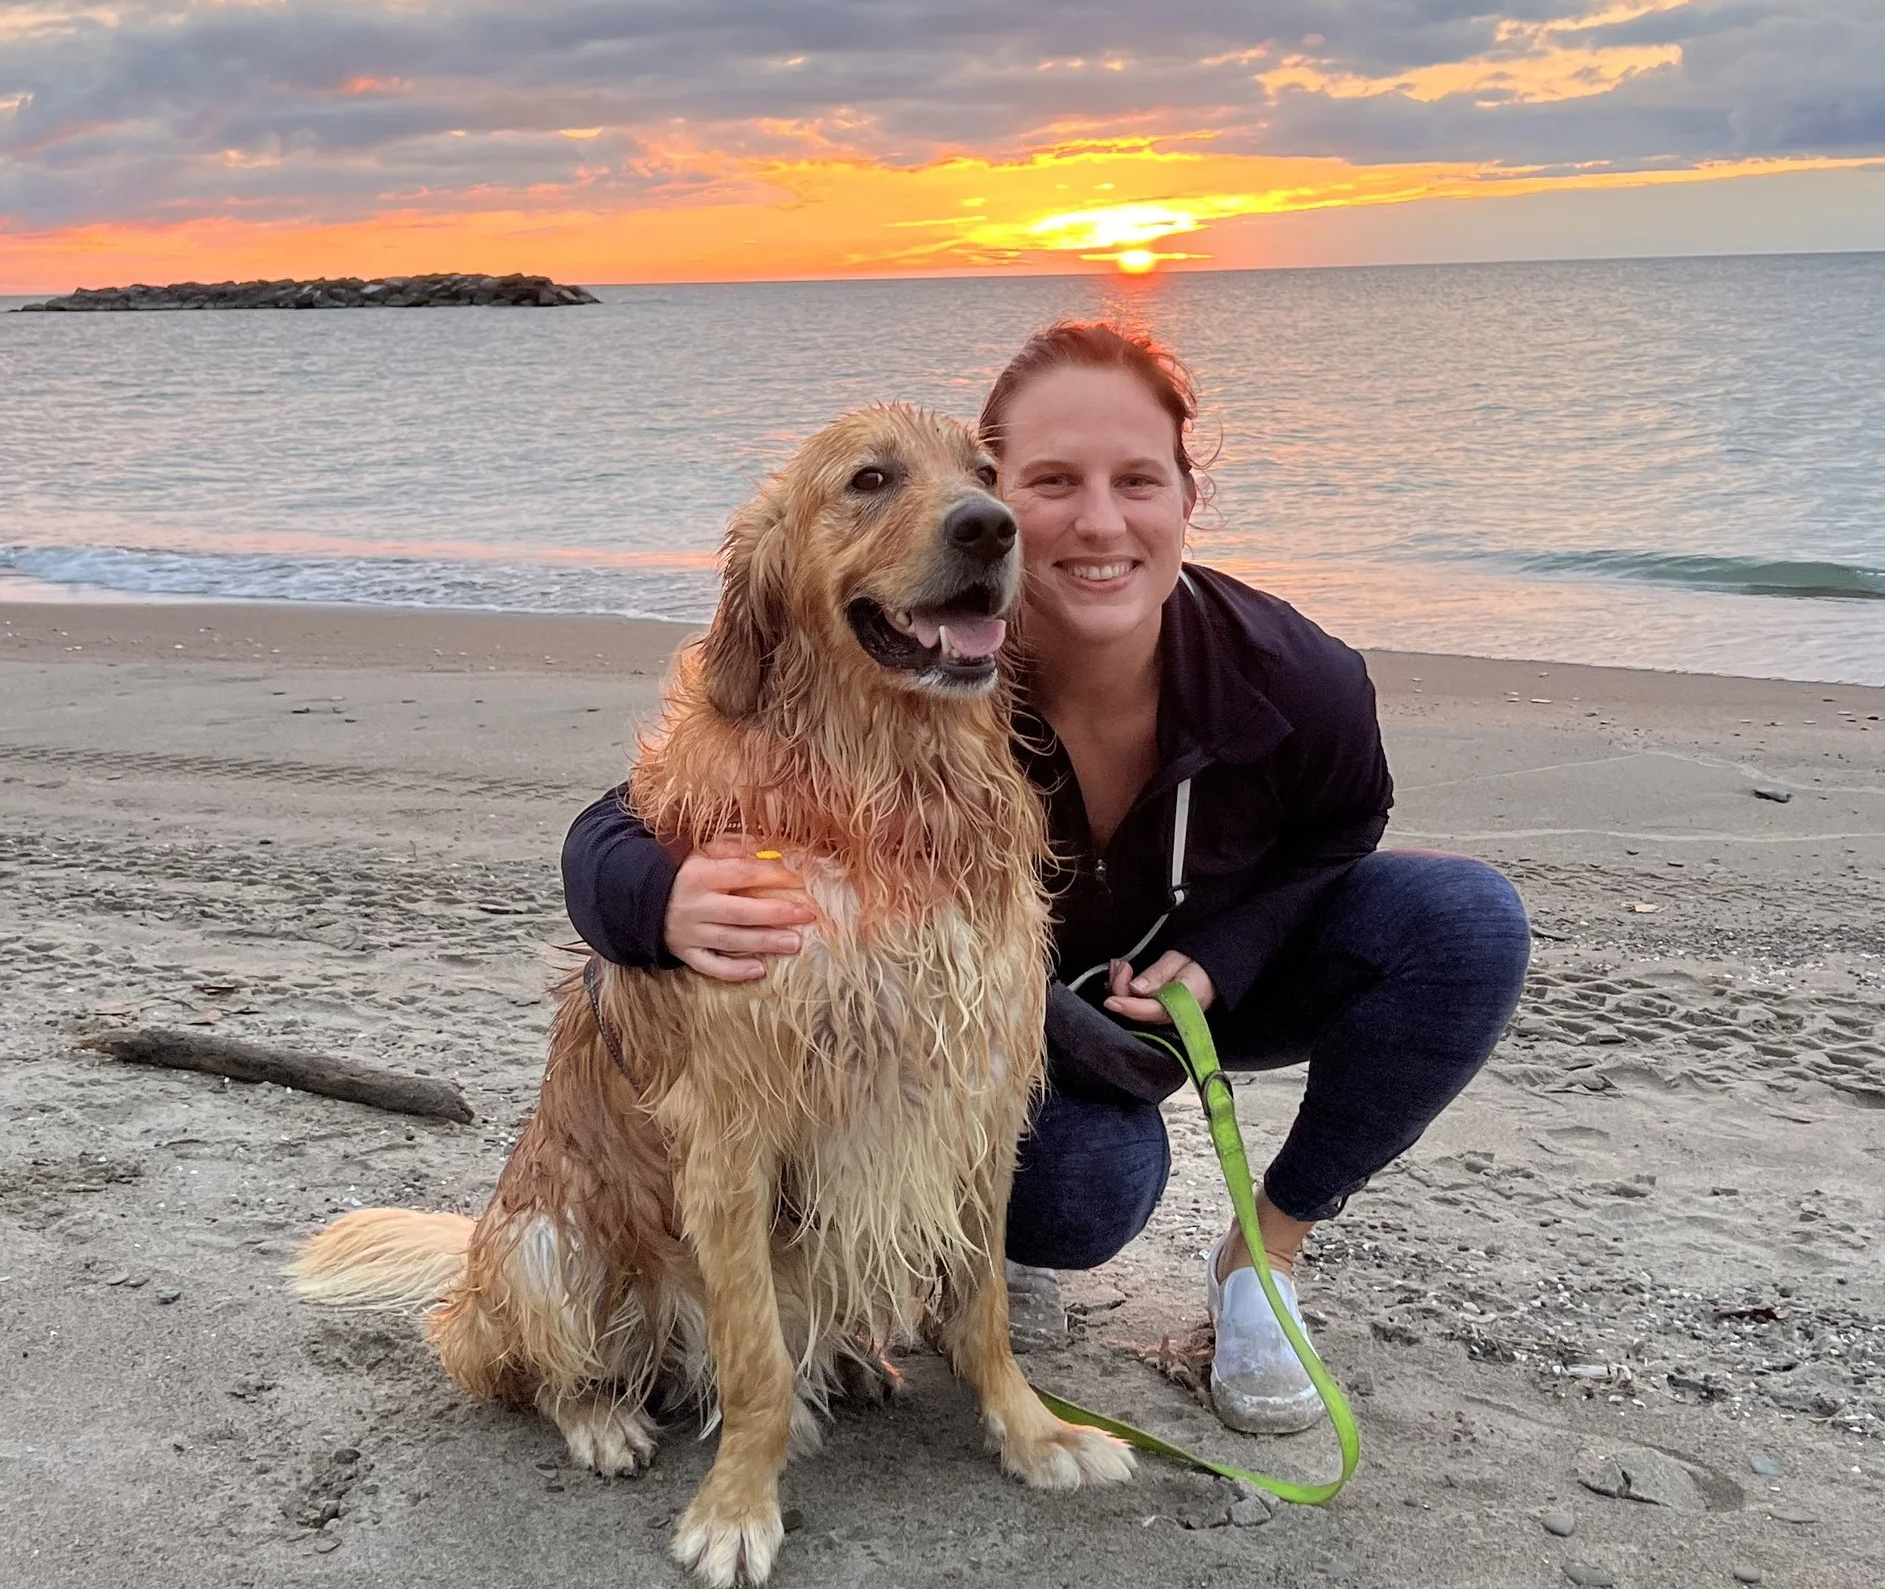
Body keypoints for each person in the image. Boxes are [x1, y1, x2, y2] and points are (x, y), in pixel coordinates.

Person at [561, 318, 1530, 1436]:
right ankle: (942, 1264)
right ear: (1002, 507)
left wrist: (1227, 953)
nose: (1101, 520)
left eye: (1139, 480)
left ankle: (1262, 1265)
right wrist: (658, 900)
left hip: (1184, 994)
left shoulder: (1297, 674)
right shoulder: (913, 665)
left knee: (1464, 921)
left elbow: (1343, 827)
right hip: (1013, 1034)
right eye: (1051, 481)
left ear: (1187, 499)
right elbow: (627, 817)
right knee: (1080, 1194)